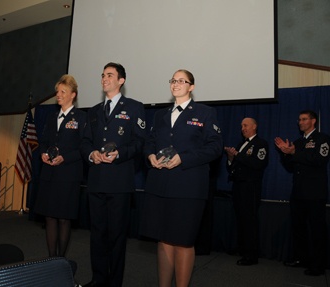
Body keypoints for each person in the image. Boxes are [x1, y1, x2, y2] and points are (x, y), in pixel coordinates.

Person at [140, 69, 223, 287]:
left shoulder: (205, 113)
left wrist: (182, 159)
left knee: (183, 241)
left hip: (188, 187)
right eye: (173, 80)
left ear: (191, 87)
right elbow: (149, 141)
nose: (176, 84)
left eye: (181, 80)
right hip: (160, 185)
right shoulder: (160, 115)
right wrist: (149, 155)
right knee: (163, 239)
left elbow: (215, 147)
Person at [80, 62, 146, 287]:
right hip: (96, 181)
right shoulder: (94, 111)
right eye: (102, 75)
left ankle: (114, 282)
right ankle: (98, 279)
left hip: (119, 182)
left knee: (117, 237)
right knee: (97, 235)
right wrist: (91, 154)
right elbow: (85, 141)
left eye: (110, 75)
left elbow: (139, 143)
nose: (104, 78)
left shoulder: (135, 108)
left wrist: (119, 153)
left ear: (121, 80)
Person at [34, 74, 86, 258]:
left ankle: (60, 260)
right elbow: (44, 141)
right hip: (49, 173)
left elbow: (83, 147)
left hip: (68, 175)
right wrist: (43, 153)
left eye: (63, 91)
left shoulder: (81, 117)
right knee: (49, 217)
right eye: (58, 91)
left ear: (73, 94)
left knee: (64, 218)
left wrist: (65, 157)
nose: (59, 95)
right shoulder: (51, 116)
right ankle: (51, 259)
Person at [275, 110, 329, 276]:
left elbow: (319, 160)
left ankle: (318, 265)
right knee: (298, 228)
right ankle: (301, 258)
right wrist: (285, 153)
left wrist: (294, 153)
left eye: (304, 119)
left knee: (317, 229)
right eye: (299, 119)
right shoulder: (297, 142)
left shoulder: (323, 139)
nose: (300, 122)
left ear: (313, 121)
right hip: (298, 192)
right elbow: (291, 166)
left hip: (315, 193)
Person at [224, 117, 269, 266]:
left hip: (251, 188)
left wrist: (237, 155)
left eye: (246, 125)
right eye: (241, 126)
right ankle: (242, 248)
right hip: (238, 187)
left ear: (254, 126)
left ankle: (251, 255)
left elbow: (257, 164)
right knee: (240, 219)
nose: (243, 128)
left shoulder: (261, 144)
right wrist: (230, 158)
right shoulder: (241, 144)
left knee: (250, 221)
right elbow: (232, 168)